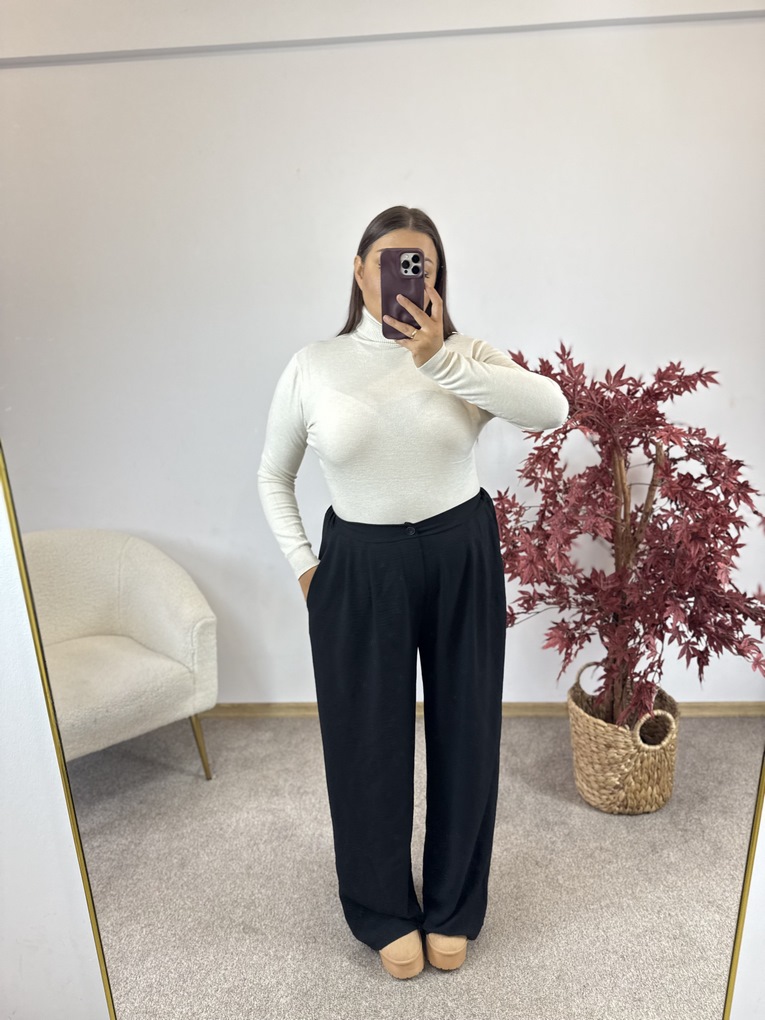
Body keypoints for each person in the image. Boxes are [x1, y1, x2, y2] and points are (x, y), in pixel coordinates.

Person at [257, 205, 568, 980]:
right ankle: (381, 910)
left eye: (418, 263)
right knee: (365, 744)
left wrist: (438, 361)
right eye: (388, 261)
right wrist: (305, 566)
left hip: (460, 552)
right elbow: (272, 475)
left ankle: (453, 906)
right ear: (359, 271)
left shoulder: (466, 355)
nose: (403, 275)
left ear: (435, 276)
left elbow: (551, 410)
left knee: (467, 732)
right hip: (358, 565)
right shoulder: (314, 365)